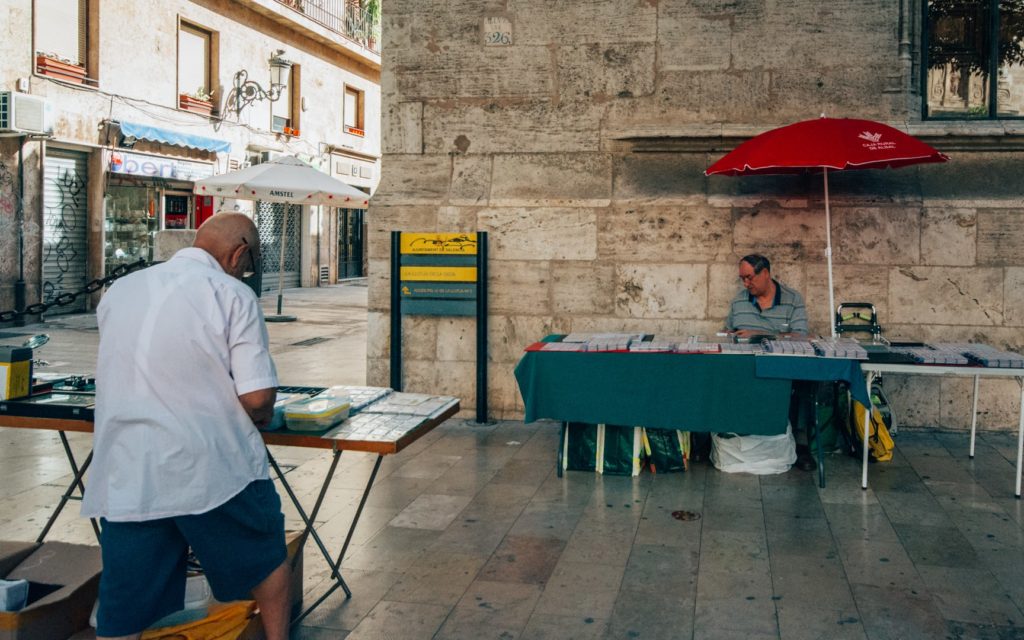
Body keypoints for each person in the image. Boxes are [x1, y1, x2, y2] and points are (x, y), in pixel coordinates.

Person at [81, 213, 290, 639]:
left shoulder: (121, 290)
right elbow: (257, 398)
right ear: (239, 253)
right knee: (266, 558)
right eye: (247, 265)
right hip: (210, 466)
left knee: (127, 592)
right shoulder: (232, 294)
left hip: (128, 467)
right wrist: (263, 412)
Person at [723, 254, 816, 472]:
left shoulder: (792, 300)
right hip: (744, 367)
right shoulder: (739, 301)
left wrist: (761, 333)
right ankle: (722, 436)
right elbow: (728, 331)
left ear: (765, 273)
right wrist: (728, 335)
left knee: (804, 383)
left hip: (781, 367)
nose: (746, 283)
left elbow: (801, 336)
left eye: (749, 277)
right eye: (742, 279)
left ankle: (800, 444)